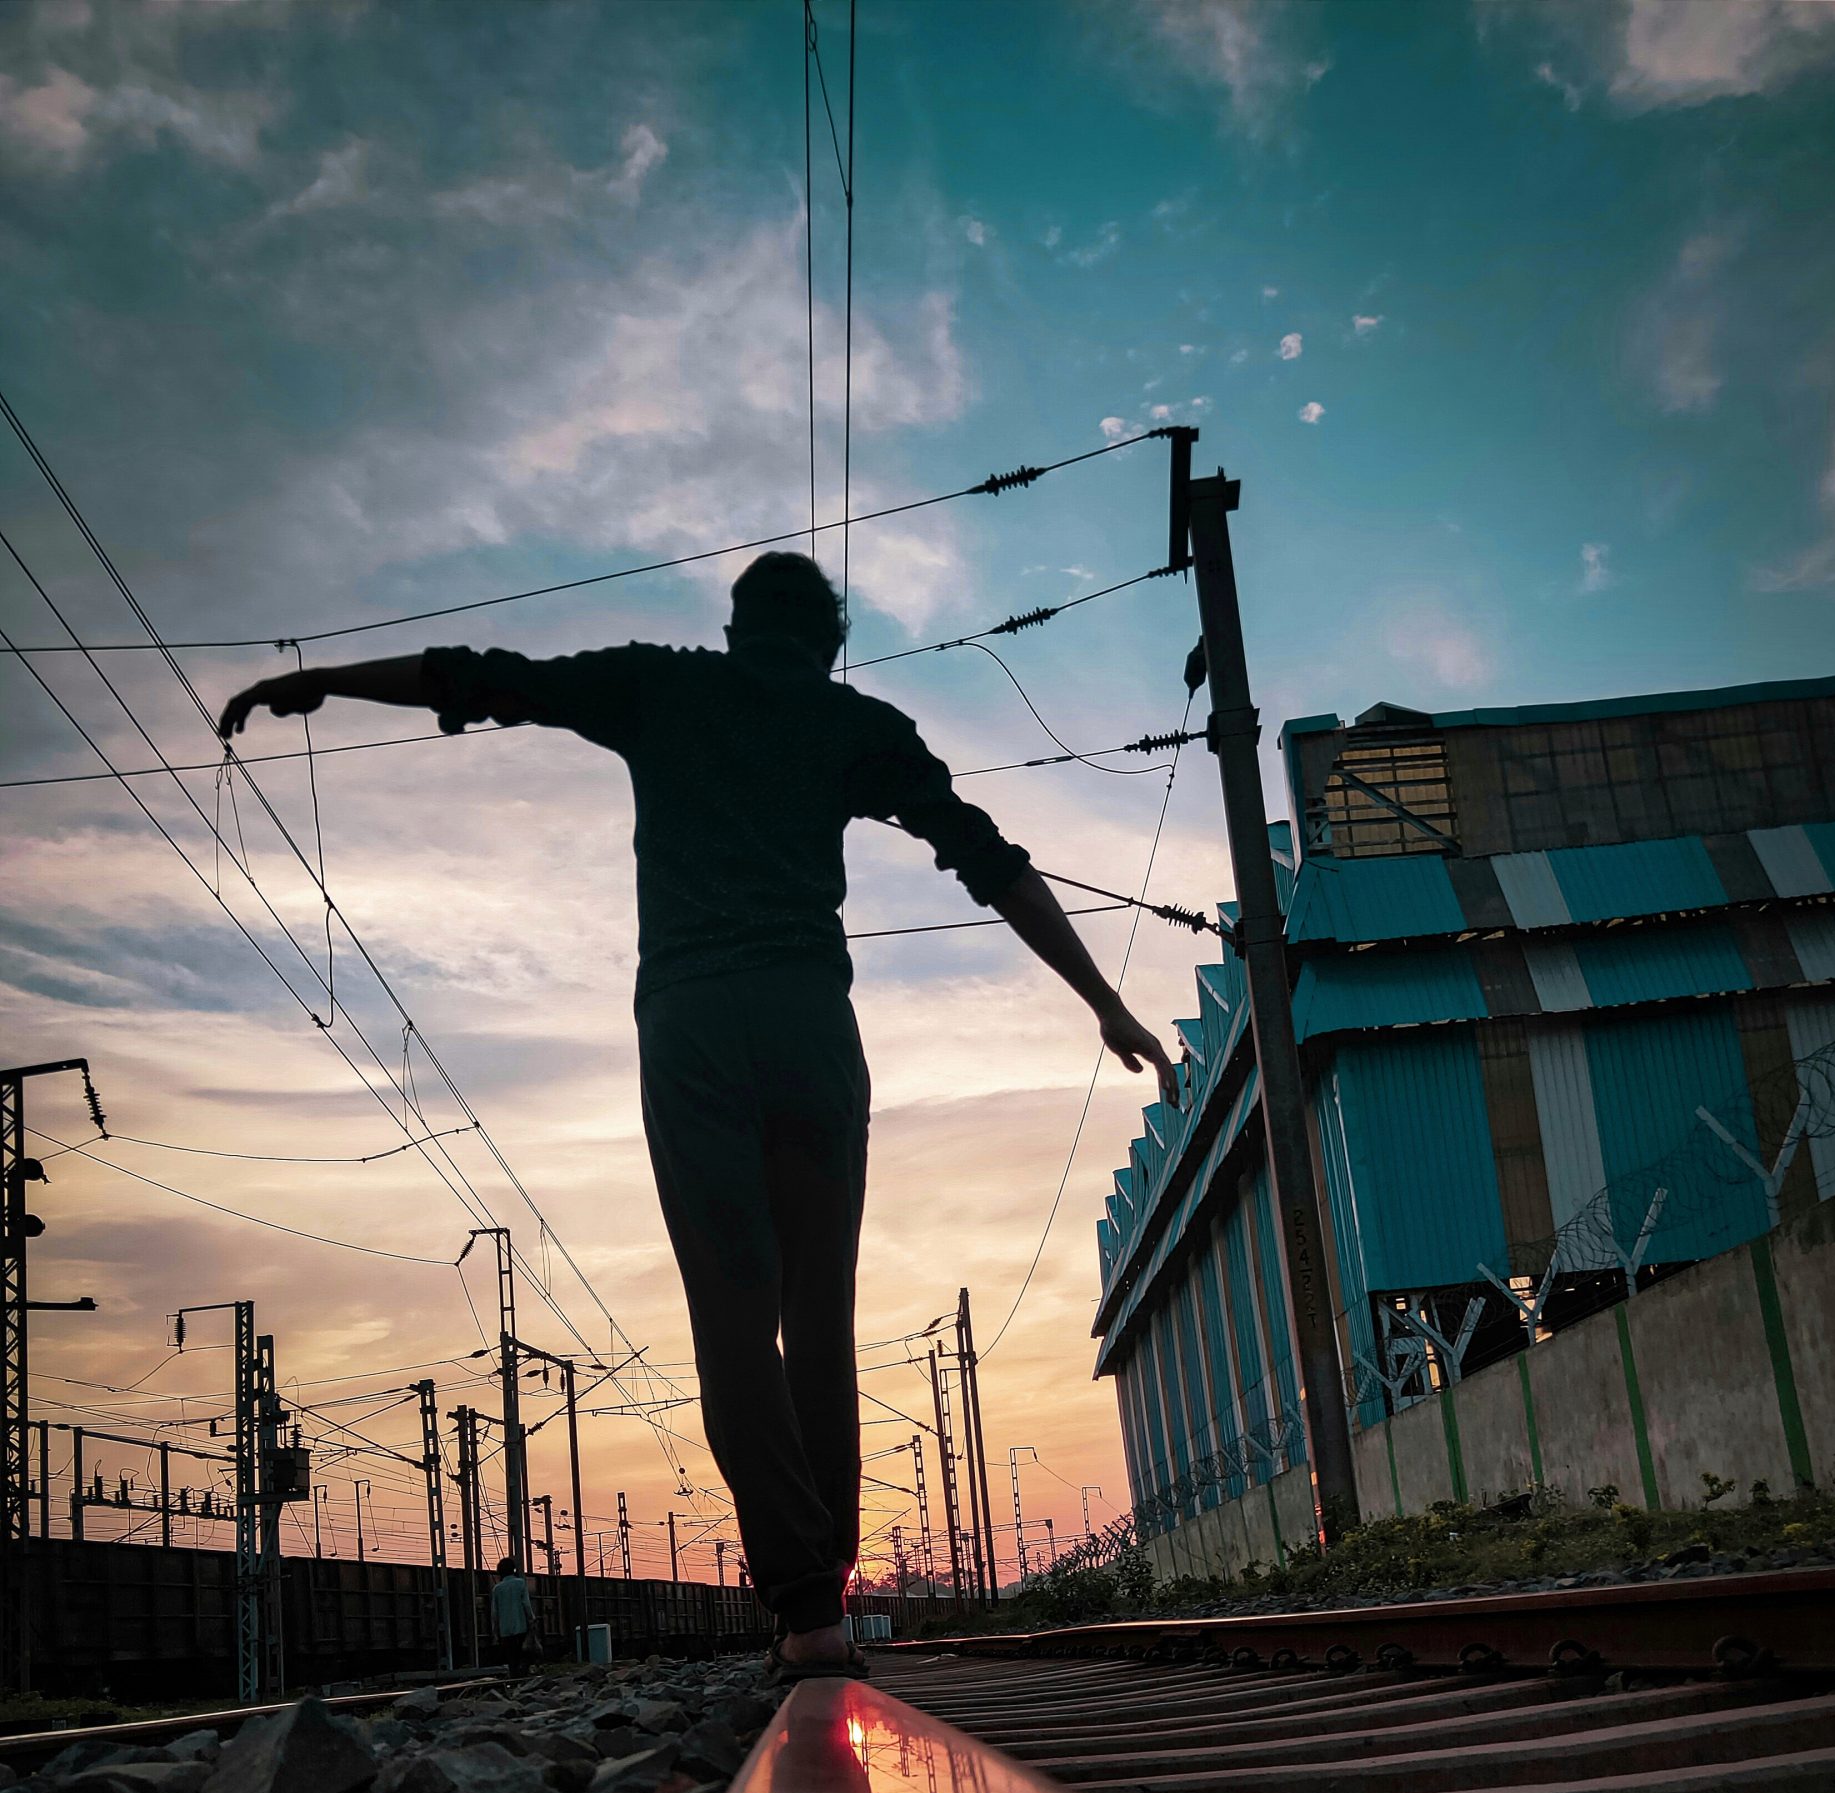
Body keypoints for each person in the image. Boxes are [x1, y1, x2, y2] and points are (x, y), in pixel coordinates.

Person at [221, 553, 1176, 1677]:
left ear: (732, 631)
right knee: (820, 1314)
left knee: (733, 1316)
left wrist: (327, 678)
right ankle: (827, 1590)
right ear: (830, 639)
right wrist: (1103, 999)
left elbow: (482, 677)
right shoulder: (856, 723)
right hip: (814, 1030)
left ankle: (808, 1608)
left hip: (692, 1033)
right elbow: (991, 859)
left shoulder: (659, 685)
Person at [488, 1553, 539, 1678]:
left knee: (511, 1659)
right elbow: (526, 1604)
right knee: (524, 1654)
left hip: (505, 1630)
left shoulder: (497, 1589)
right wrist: (532, 1619)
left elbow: (494, 1613)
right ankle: (523, 1678)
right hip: (520, 1626)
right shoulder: (520, 1584)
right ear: (514, 1570)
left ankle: (514, 1680)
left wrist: (495, 1630)